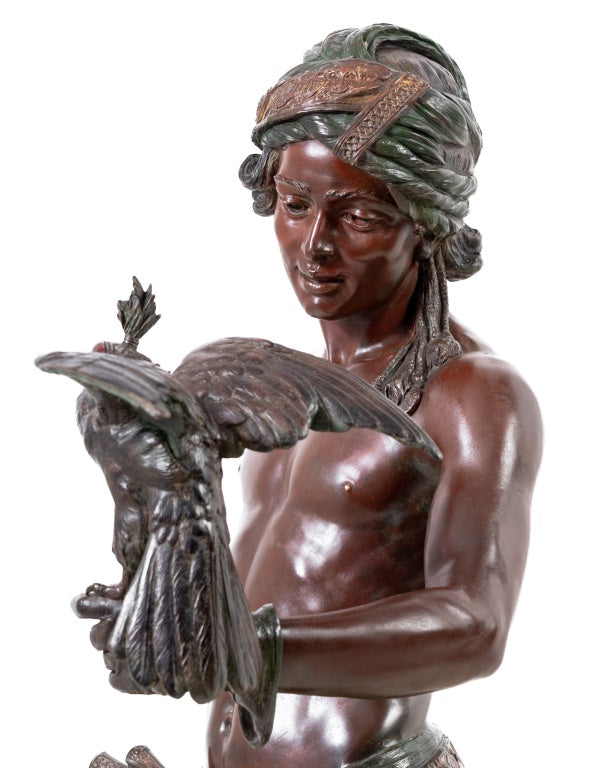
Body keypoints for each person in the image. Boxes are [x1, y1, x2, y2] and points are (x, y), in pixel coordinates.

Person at [78, 24, 542, 768]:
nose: (315, 245)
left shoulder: (468, 393)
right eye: (295, 204)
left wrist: (250, 650)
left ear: (426, 225)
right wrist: (153, 606)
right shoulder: (275, 388)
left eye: (358, 217)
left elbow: (476, 624)